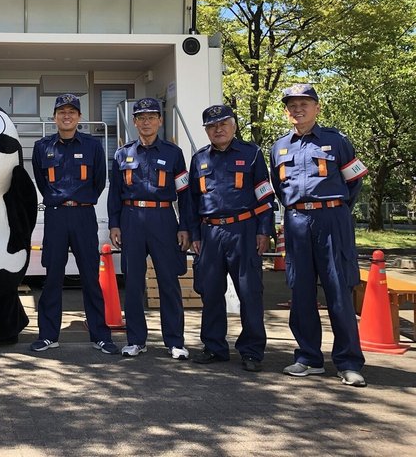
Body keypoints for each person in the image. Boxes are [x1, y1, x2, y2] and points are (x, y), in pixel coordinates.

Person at [269, 83, 369, 387]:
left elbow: (354, 181)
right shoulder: (278, 147)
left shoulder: (336, 141)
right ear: (287, 112)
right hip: (297, 220)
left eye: (304, 104)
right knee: (300, 292)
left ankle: (348, 361)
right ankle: (308, 358)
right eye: (292, 105)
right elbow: (278, 184)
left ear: (317, 107)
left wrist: (334, 209)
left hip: (331, 219)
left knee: (338, 290)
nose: (298, 110)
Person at [188, 105, 274, 372]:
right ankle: (214, 347)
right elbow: (191, 201)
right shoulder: (200, 159)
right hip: (210, 233)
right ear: (206, 130)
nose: (218, 129)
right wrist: (194, 234)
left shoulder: (252, 154)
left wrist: (264, 231)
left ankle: (252, 351)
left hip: (244, 231)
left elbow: (265, 197)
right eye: (212, 126)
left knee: (249, 292)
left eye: (224, 123)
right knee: (211, 292)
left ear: (234, 125)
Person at [30, 93, 117, 355]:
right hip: (56, 216)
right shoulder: (42, 147)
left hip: (83, 216)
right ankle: (48, 335)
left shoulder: (93, 146)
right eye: (61, 112)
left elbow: (99, 181)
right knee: (52, 277)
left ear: (79, 117)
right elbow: (41, 181)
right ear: (54, 117)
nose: (66, 116)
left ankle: (100, 335)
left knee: (90, 277)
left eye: (71, 112)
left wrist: (80, 200)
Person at [107, 98, 195, 359]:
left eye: (151, 117)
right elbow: (115, 192)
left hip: (163, 219)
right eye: (141, 118)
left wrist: (184, 226)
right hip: (131, 218)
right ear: (134, 122)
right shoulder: (122, 154)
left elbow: (184, 193)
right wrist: (114, 224)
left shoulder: (173, 153)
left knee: (168, 282)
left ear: (159, 121)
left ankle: (175, 341)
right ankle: (136, 340)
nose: (146, 122)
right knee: (133, 283)